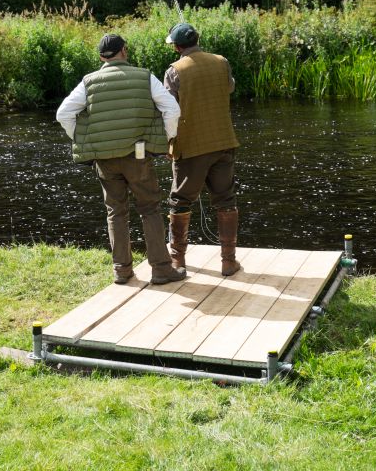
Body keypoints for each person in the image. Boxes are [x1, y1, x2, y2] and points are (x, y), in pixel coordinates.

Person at [56, 33, 185, 286]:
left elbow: (64, 113)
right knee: (149, 208)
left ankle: (122, 271)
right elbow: (172, 109)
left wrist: (83, 140)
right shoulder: (144, 76)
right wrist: (167, 139)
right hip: (137, 155)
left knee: (115, 212)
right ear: (124, 51)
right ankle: (161, 269)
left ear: (101, 56)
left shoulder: (88, 82)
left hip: (104, 159)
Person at [163, 22, 241, 276]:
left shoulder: (174, 71)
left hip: (191, 146)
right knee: (226, 200)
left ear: (176, 46)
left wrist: (167, 143)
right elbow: (229, 87)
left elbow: (169, 112)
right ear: (197, 39)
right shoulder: (222, 61)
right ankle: (228, 262)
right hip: (223, 142)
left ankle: (178, 261)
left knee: (181, 201)